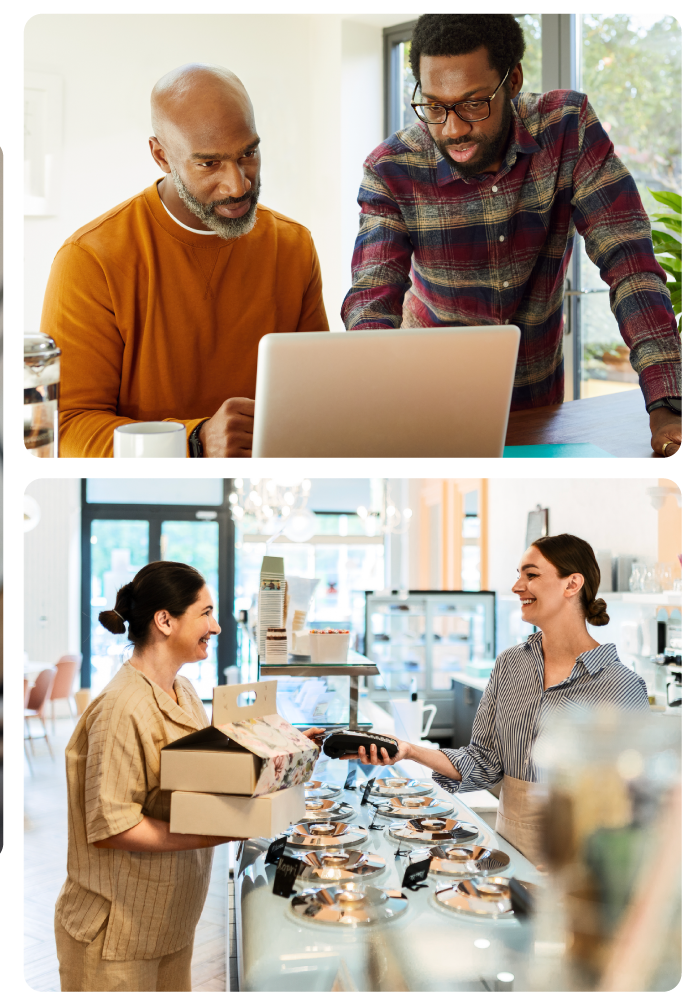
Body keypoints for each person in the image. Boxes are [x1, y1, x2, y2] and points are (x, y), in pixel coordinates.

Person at [342, 13, 681, 457]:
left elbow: (629, 262)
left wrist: (668, 402)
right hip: (428, 412)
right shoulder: (390, 169)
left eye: (473, 103)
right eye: (434, 106)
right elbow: (372, 299)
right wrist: (367, 406)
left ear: (514, 80)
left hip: (539, 409)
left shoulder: (568, 128)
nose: (453, 128)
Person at [41, 63, 329, 458]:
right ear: (161, 156)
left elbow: (316, 404)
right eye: (209, 163)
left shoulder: (294, 245)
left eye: (249, 153)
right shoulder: (89, 259)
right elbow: (65, 431)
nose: (238, 184)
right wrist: (193, 441)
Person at [337, 533, 648, 866]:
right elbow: (484, 762)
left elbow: (633, 808)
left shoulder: (620, 686)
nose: (517, 586)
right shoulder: (511, 664)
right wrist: (409, 751)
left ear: (571, 584)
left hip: (581, 866)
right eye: (519, 575)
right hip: (509, 851)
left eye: (531, 575)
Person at [55, 561, 240, 991]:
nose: (215, 627)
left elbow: (205, 767)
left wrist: (277, 749)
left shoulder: (185, 691)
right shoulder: (121, 709)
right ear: (164, 620)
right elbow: (113, 827)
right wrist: (217, 833)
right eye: (206, 613)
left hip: (169, 920)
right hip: (116, 934)